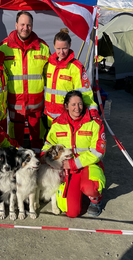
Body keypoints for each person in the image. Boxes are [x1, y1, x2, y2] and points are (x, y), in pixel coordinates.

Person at [41, 90, 106, 218]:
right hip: (68, 170)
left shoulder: (94, 122)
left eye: (80, 104)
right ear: (66, 106)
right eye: (73, 104)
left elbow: (99, 151)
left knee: (90, 186)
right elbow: (49, 143)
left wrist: (73, 163)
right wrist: (43, 155)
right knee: (71, 212)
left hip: (88, 165)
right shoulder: (58, 123)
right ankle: (79, 193)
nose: (77, 108)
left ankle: (96, 199)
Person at [0, 11, 50, 153]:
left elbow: (50, 76)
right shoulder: (4, 48)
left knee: (37, 140)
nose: (25, 28)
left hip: (36, 106)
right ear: (16, 25)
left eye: (28, 25)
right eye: (22, 24)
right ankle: (17, 166)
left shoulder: (43, 48)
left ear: (32, 26)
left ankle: (38, 164)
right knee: (15, 141)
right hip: (15, 105)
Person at [44, 28, 99, 128]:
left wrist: (93, 113)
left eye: (64, 48)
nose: (61, 52)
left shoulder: (76, 67)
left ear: (69, 45)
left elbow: (85, 93)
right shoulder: (49, 65)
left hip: (66, 118)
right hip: (49, 117)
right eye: (58, 49)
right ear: (54, 46)